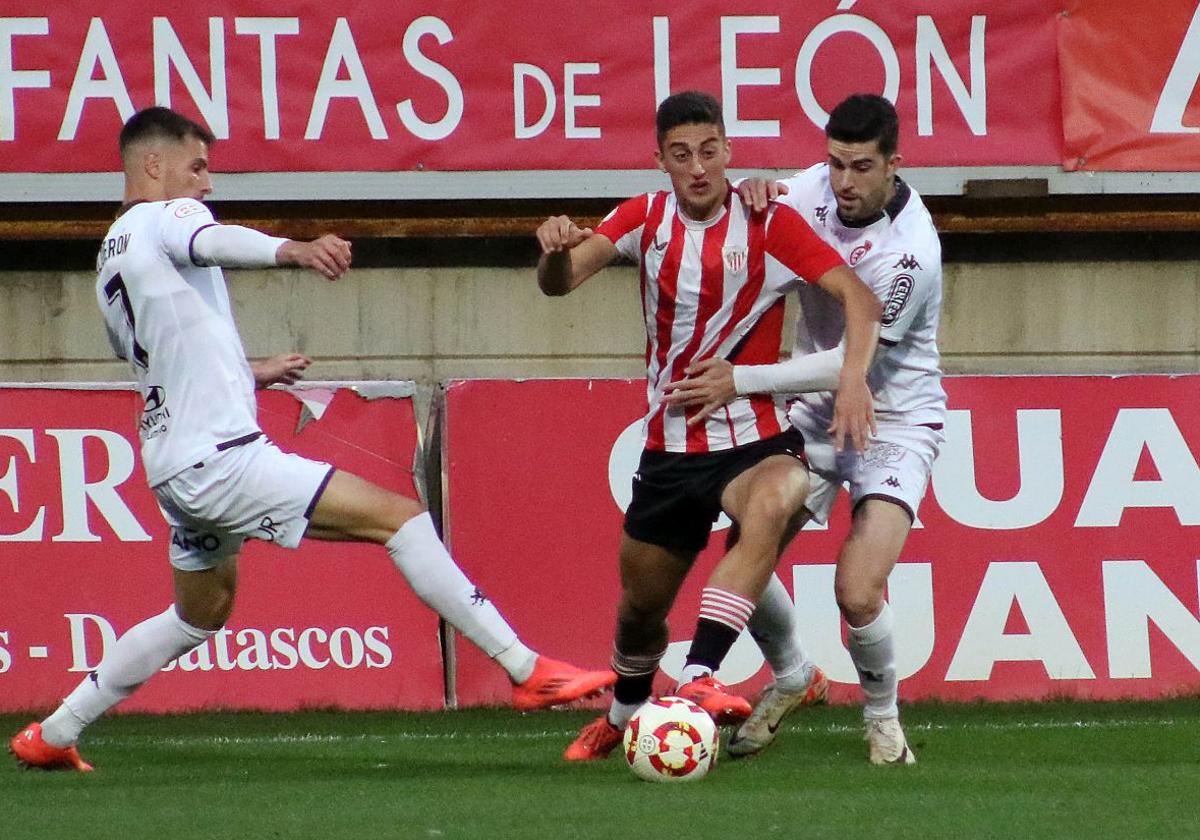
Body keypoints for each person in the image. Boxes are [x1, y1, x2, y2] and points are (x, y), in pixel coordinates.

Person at [9, 106, 614, 773]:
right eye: (198, 166)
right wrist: (291, 251)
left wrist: (252, 372)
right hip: (221, 459)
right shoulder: (167, 216)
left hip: (173, 466)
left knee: (198, 615)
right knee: (401, 518)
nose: (206, 185)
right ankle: (526, 669)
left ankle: (55, 732)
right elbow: (213, 241)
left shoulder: (109, 259)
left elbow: (160, 356)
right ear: (153, 165)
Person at [535, 91, 882, 761]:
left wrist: (852, 378)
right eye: (681, 154)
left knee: (780, 498)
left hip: (753, 437)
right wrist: (552, 251)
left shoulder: (769, 221)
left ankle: (698, 677)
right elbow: (561, 282)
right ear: (660, 159)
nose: (698, 167)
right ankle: (625, 711)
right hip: (670, 448)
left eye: (710, 151)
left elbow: (861, 301)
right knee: (640, 612)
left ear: (728, 150)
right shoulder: (644, 217)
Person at [663, 93, 946, 764]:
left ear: (894, 165)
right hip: (815, 413)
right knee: (750, 545)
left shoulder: (911, 256)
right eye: (835, 164)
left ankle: (883, 720)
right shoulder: (815, 188)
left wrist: (741, 378)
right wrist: (758, 188)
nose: (844, 183)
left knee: (856, 588)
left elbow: (855, 359)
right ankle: (792, 673)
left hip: (894, 421)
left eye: (862, 168)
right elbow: (766, 207)